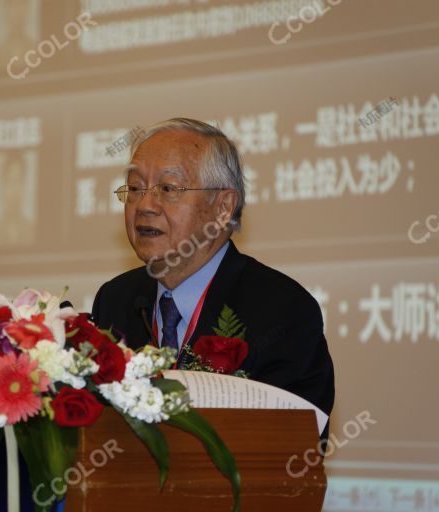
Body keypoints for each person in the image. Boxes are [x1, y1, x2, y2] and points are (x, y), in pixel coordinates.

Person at [91, 118, 334, 431]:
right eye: (135, 188)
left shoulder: (282, 310)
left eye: (167, 188)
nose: (144, 205)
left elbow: (291, 451)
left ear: (223, 208)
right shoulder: (115, 300)